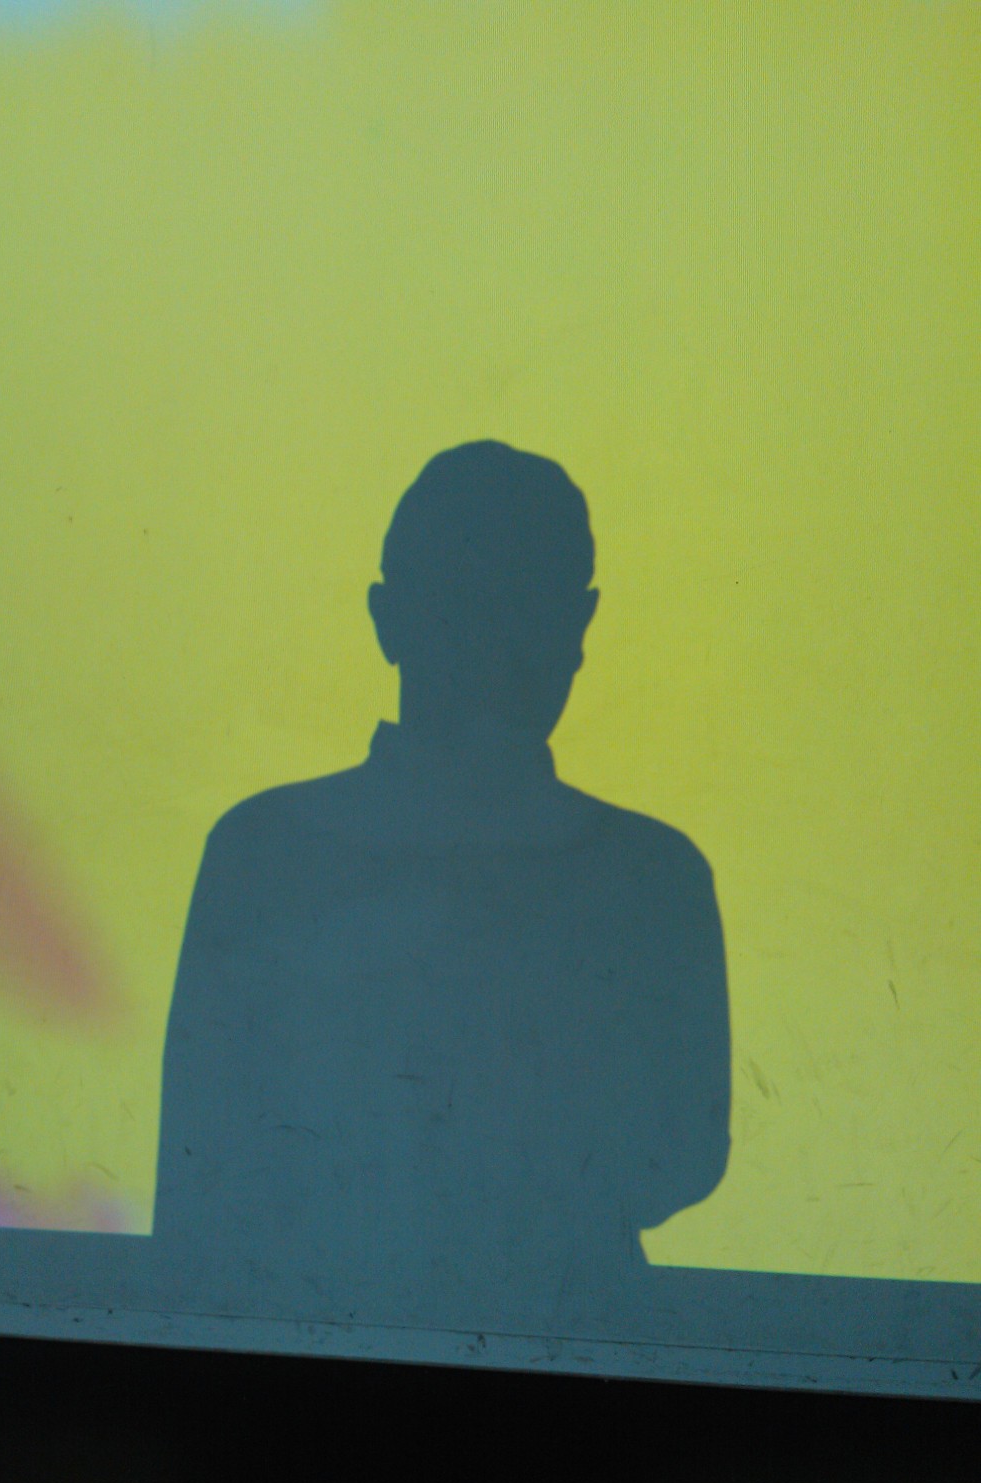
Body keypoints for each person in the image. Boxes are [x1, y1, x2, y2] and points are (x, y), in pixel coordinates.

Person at [153, 441, 730, 1335]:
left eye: (517, 606)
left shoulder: (264, 852)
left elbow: (202, 1193)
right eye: (477, 605)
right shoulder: (654, 877)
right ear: (580, 627)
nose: (496, 644)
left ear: (388, 618)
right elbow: (674, 1160)